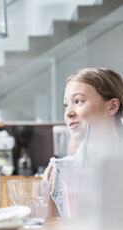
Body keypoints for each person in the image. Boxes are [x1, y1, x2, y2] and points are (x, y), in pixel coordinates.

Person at [44, 67, 123, 217]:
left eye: (78, 101)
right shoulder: (56, 173)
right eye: (66, 105)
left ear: (112, 106)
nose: (68, 113)